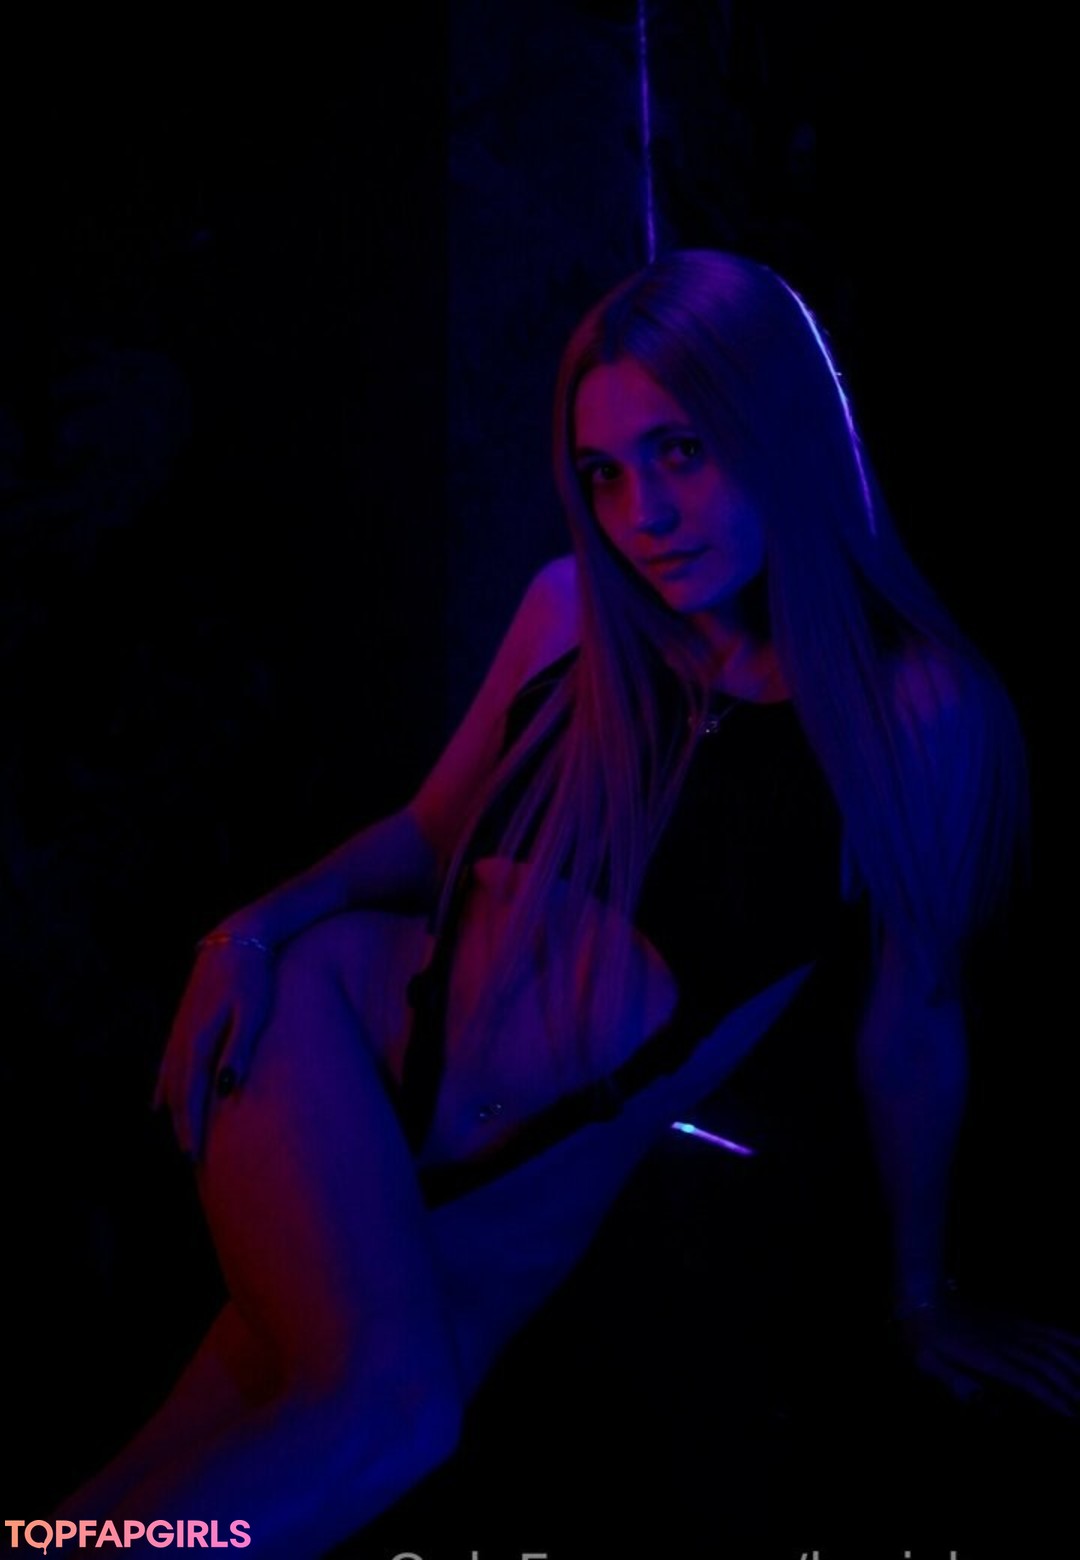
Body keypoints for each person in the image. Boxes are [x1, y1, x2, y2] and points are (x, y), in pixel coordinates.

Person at [52, 250, 1078, 1556]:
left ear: (781, 428)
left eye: (681, 451)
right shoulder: (568, 617)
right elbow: (425, 839)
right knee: (392, 1417)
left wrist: (920, 1295)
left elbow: (913, 1020)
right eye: (605, 472)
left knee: (141, 1506)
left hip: (508, 1201)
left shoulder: (919, 711)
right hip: (335, 1043)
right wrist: (247, 932)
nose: (643, 512)